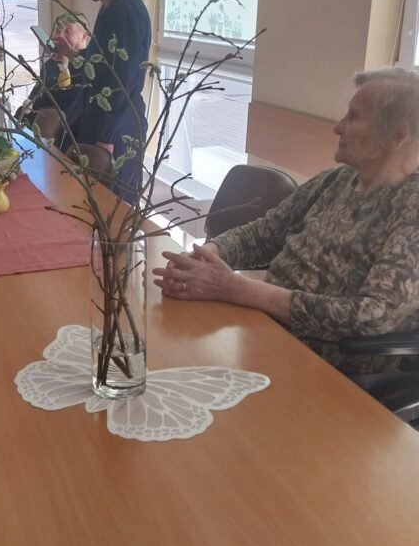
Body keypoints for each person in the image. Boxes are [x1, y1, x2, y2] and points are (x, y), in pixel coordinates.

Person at [154, 68, 419, 375]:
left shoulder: (411, 208)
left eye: (354, 117)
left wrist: (238, 289)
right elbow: (262, 235)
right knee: (164, 355)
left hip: (329, 367)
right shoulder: (335, 181)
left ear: (397, 136)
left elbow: (370, 317)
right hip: (264, 328)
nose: (338, 127)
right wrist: (205, 256)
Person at [31, 0, 152, 194]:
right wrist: (73, 54)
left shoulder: (126, 10)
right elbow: (104, 67)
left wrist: (106, 139)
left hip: (116, 129)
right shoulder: (111, 8)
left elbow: (121, 83)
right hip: (101, 123)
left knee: (112, 207)